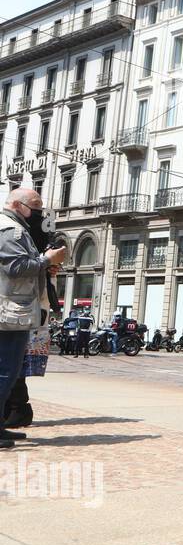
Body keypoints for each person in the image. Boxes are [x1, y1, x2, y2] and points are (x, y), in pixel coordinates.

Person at [0, 189, 66, 449]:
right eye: (36, 206)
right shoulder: (11, 231)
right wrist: (46, 259)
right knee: (6, 371)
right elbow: (16, 268)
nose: (40, 212)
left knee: (9, 372)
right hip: (8, 312)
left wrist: (42, 264)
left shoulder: (13, 227)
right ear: (18, 204)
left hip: (11, 311)